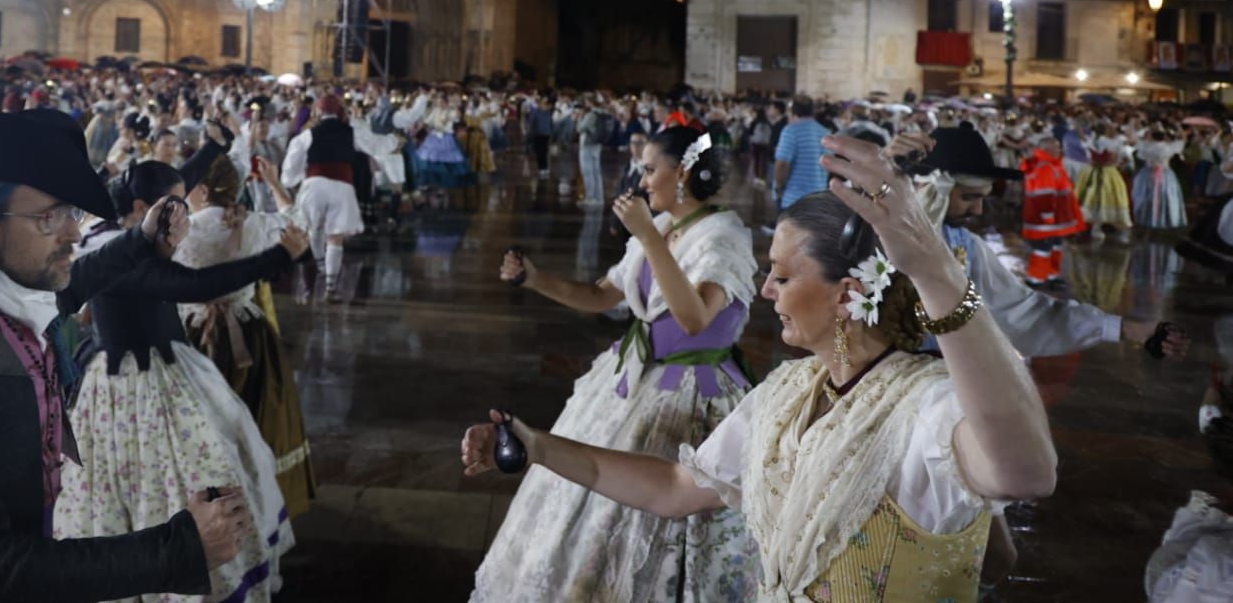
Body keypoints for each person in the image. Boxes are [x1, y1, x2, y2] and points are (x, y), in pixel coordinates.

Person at [463, 136, 1061, 602]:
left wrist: (935, 272)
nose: (767, 289)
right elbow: (675, 489)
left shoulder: (923, 409)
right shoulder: (787, 393)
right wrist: (538, 446)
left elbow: (1027, 474)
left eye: (782, 273)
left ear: (848, 293)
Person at [0, 107, 249, 602]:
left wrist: (143, 240)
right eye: (50, 217)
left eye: (71, 212)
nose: (72, 233)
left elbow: (72, 286)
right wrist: (179, 549)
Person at [471, 126, 760, 602]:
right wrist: (534, 278)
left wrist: (648, 236)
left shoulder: (722, 234)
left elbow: (694, 318)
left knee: (668, 504)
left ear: (682, 171)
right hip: (633, 377)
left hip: (694, 390)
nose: (641, 181)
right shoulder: (666, 226)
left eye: (649, 169)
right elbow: (601, 295)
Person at [55, 161, 311, 603]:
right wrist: (278, 256)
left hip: (159, 367)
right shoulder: (116, 248)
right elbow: (193, 285)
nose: (183, 218)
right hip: (135, 383)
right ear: (142, 208)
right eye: (173, 206)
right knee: (163, 479)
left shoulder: (123, 240)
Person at [899, 126, 1189, 360]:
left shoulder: (965, 246)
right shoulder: (873, 234)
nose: (978, 211)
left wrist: (1127, 329)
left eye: (982, 198)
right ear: (930, 189)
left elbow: (1024, 309)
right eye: (968, 198)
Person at [178, 155, 319, 517]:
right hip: (248, 332)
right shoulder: (257, 224)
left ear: (204, 190)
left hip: (192, 335)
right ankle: (257, 500)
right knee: (255, 414)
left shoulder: (182, 230)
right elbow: (302, 222)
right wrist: (274, 184)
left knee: (201, 422)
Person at [280, 93, 365, 300]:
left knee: (313, 228)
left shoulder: (308, 135)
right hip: (342, 186)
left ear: (318, 111)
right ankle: (330, 286)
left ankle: (318, 268)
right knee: (335, 236)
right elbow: (370, 148)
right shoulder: (351, 132)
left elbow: (292, 163)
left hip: (314, 184)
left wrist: (290, 181)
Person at [1020, 136, 1086, 287]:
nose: (1060, 150)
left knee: (1055, 247)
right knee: (1042, 249)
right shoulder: (1045, 167)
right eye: (1056, 147)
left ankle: (1051, 275)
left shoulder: (1052, 164)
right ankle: (1035, 280)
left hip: (1055, 220)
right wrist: (1047, 217)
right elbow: (1044, 194)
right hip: (1046, 221)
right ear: (1046, 150)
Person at [773, 96, 825, 212]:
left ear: (792, 112)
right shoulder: (825, 132)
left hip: (794, 199)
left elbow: (782, 164)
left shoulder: (791, 131)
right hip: (819, 199)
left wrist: (779, 187)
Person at [1135, 130, 1189, 230]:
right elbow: (1181, 143)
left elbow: (1139, 152)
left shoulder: (1147, 147)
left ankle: (1147, 218)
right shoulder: (1168, 147)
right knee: (1166, 195)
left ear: (1152, 137)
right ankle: (1166, 218)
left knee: (1147, 196)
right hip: (1166, 174)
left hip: (1148, 174)